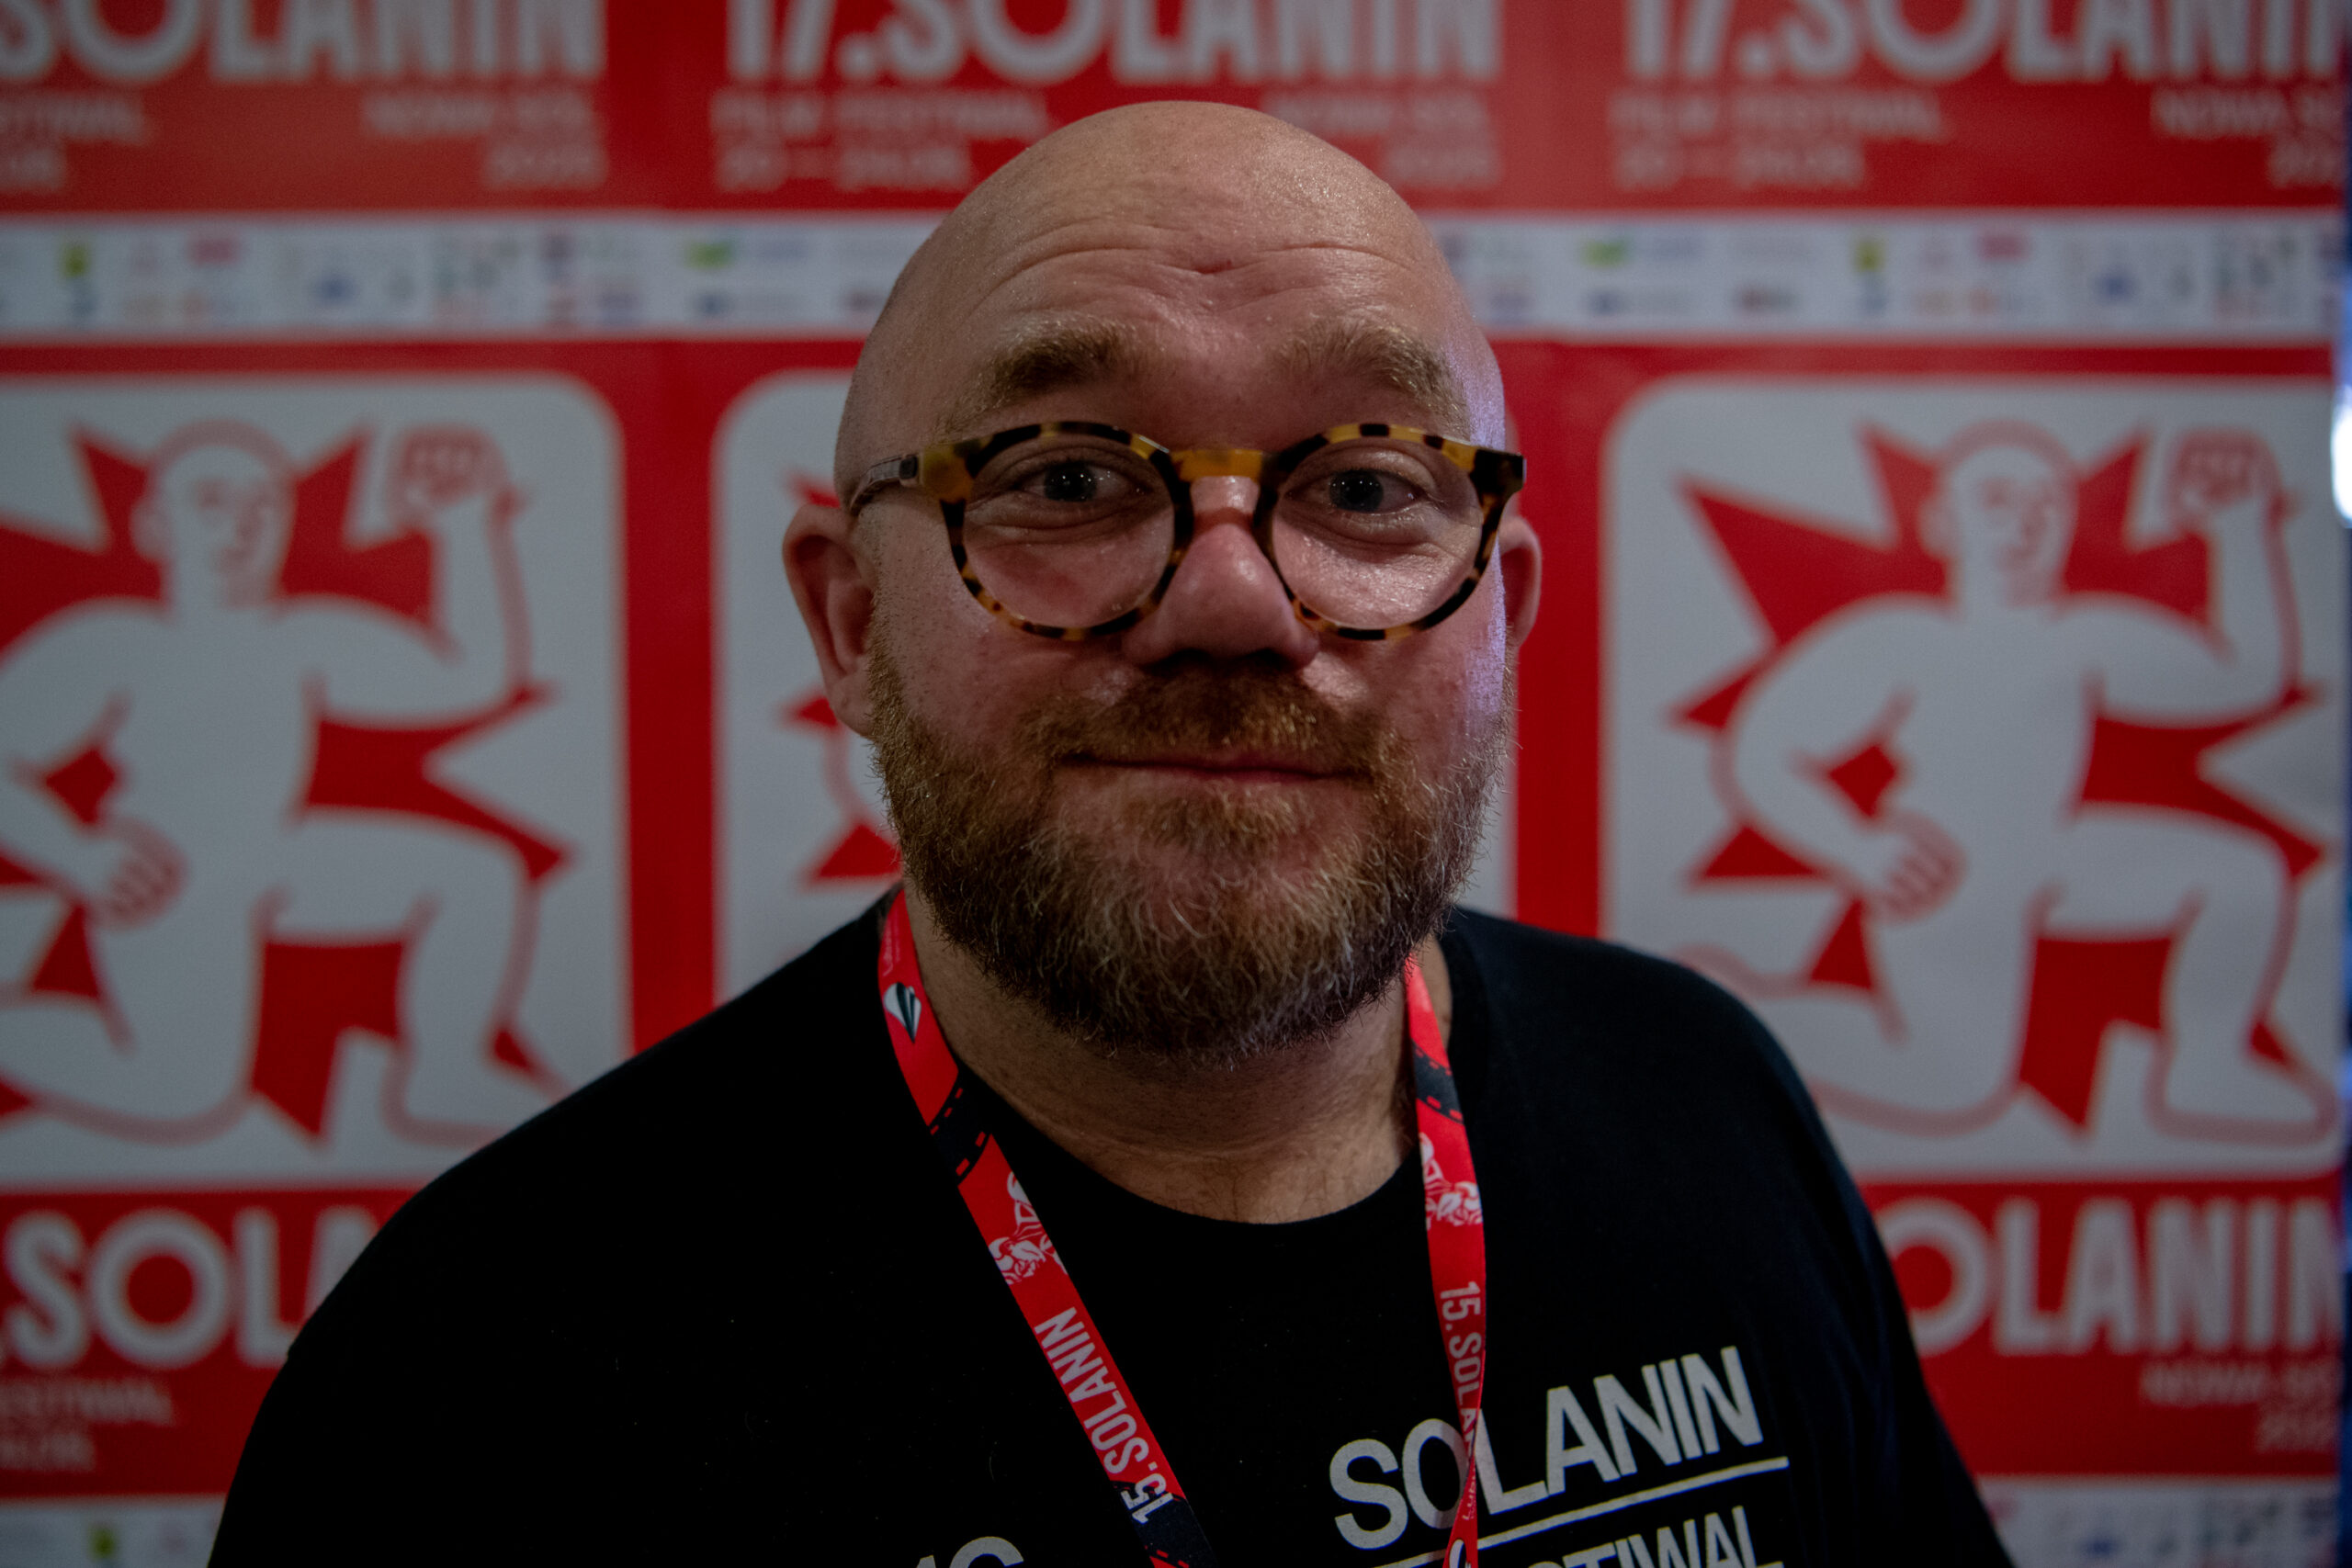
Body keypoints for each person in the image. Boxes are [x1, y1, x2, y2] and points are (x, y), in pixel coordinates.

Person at [214, 105, 2007, 1564]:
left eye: (1363, 486)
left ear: (1500, 615)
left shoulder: (1706, 1103)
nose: (1232, 602)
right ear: (850, 623)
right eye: (1066, 479)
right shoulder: (483, 1375)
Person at [1690, 423, 2321, 1138]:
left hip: (2055, 847)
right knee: (1950, 1086)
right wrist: (1857, 848)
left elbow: (2243, 677)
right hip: (1946, 867)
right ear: (1943, 522)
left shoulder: (2082, 633)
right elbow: (1760, 752)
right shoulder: (1902, 638)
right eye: (1997, 499)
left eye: (2048, 502)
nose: (2025, 523)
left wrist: (2240, 535)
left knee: (2241, 874)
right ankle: (1736, 1012)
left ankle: (2207, 1066)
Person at [0, 422, 547, 1140]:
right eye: (213, 502)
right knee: (180, 1096)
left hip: (276, 847)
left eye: (264, 504)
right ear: (155, 526)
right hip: (164, 870)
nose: (243, 527)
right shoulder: (115, 643)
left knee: (477, 876)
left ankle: (444, 1071)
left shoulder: (300, 634)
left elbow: (466, 677)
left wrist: (465, 529)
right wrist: (76, 855)